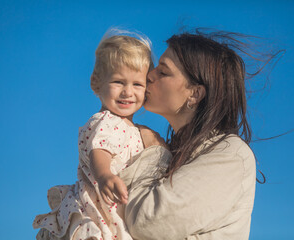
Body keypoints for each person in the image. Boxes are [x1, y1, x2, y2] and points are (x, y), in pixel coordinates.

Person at [117, 30, 276, 240]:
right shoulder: (176, 151)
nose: (149, 75)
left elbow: (147, 223)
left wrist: (155, 152)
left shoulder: (231, 155)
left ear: (195, 94)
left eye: (163, 72)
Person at [33, 29, 154, 240]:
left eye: (137, 84)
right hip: (98, 211)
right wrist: (105, 174)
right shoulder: (106, 121)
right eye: (118, 82)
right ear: (96, 83)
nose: (127, 92)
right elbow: (99, 150)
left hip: (114, 209)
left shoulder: (132, 128)